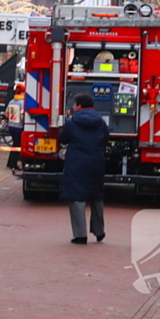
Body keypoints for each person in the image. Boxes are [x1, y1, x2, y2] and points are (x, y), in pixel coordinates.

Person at [59, 93, 109, 244]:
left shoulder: (72, 122)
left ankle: (80, 235)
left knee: (77, 197)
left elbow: (62, 138)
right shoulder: (101, 122)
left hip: (76, 163)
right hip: (96, 162)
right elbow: (106, 138)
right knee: (96, 196)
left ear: (79, 105)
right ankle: (99, 231)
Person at [5, 83, 25, 171]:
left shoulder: (11, 101)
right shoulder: (23, 103)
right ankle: (13, 164)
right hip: (19, 126)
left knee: (14, 144)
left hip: (11, 125)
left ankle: (10, 162)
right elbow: (22, 115)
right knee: (17, 145)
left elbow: (7, 113)